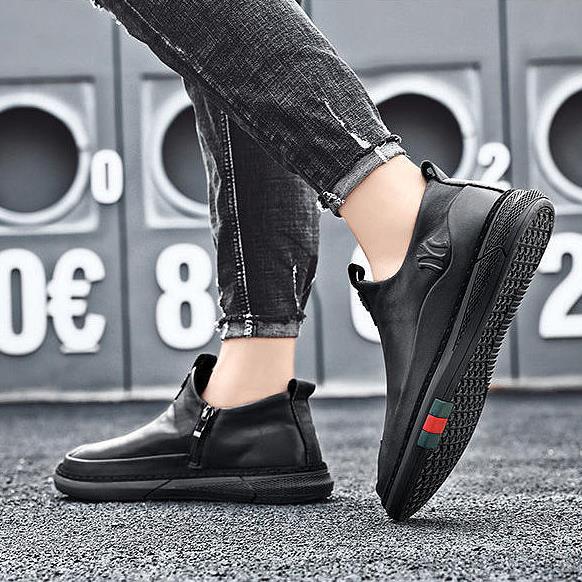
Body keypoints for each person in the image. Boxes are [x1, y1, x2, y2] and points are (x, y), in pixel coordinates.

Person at [53, 0, 554, 521]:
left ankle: (407, 218)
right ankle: (251, 399)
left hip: (421, 228)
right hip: (253, 402)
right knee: (220, 68)